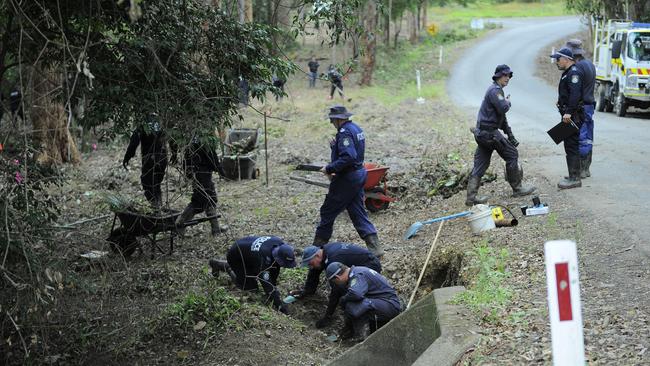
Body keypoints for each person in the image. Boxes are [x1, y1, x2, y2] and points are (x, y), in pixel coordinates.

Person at [315, 105, 383, 257]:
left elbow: (348, 157)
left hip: (347, 178)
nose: (332, 123)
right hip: (359, 175)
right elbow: (352, 152)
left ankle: (317, 248)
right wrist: (335, 147)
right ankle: (376, 249)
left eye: (332, 121)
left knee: (328, 210)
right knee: (358, 212)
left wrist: (330, 167)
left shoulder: (344, 133)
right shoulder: (356, 128)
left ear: (338, 119)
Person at [465, 64, 535, 206]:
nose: (507, 78)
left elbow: (502, 118)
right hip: (489, 134)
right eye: (505, 75)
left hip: (483, 134)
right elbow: (504, 108)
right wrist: (508, 102)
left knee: (481, 164)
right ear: (498, 76)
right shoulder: (495, 91)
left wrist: (510, 135)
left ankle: (471, 197)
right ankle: (517, 188)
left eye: (509, 76)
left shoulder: (496, 91)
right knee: (512, 154)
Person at [291, 243, 382, 328]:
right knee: (318, 270)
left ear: (317, 256)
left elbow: (336, 290)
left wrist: (328, 316)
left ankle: (357, 323)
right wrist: (306, 291)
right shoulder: (323, 253)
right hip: (355, 264)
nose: (310, 266)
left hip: (370, 264)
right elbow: (314, 272)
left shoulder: (333, 259)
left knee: (350, 292)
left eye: (310, 263)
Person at [208, 236, 296, 314]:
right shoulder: (263, 259)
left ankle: (232, 267)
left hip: (248, 251)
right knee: (251, 288)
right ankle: (225, 266)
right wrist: (279, 305)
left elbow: (275, 268)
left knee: (261, 271)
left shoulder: (279, 244)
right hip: (237, 256)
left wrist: (274, 286)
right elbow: (267, 284)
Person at [326, 262, 401, 341]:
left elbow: (356, 294)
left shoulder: (357, 275)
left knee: (354, 306)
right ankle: (347, 333)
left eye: (335, 282)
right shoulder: (356, 271)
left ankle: (361, 337)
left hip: (390, 305)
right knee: (355, 305)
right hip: (382, 304)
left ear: (338, 278)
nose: (337, 284)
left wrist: (343, 300)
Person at [175, 137, 228, 236]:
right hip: (202, 173)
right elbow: (211, 156)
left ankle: (216, 229)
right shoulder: (204, 136)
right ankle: (179, 224)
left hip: (196, 172)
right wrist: (221, 170)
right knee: (201, 200)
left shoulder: (191, 135)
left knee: (207, 199)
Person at [122, 113, 176, 208]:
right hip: (162, 158)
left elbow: (134, 142)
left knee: (147, 183)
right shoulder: (163, 123)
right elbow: (172, 139)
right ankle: (158, 206)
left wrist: (127, 157)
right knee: (156, 184)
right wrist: (174, 154)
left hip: (149, 159)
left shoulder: (143, 124)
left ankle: (156, 206)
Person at [551, 47, 584, 189]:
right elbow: (568, 92)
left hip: (572, 116)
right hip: (568, 115)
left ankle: (575, 178)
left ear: (566, 59)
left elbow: (575, 94)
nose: (556, 62)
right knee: (567, 143)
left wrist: (569, 111)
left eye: (558, 59)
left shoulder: (574, 73)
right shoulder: (568, 73)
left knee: (571, 145)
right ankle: (573, 174)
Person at [565, 39, 595, 178]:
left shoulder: (577, 68)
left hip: (581, 107)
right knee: (587, 135)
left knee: (581, 137)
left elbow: (575, 91)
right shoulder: (589, 64)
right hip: (589, 105)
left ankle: (580, 170)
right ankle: (585, 168)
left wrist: (569, 110)